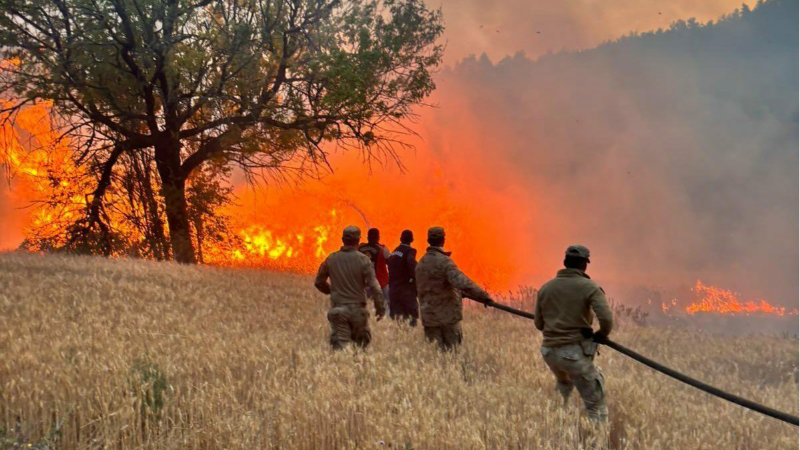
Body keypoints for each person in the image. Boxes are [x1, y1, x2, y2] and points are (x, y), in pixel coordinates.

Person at [534, 245, 613, 422]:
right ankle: (597, 437)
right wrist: (601, 334)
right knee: (595, 405)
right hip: (574, 354)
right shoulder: (589, 287)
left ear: (565, 262)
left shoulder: (546, 288)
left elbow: (539, 324)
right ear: (584, 264)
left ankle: (556, 426)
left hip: (549, 352)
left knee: (564, 388)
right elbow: (606, 319)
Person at [415, 226, 492, 350]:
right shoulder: (445, 262)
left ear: (428, 241)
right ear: (443, 240)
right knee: (453, 355)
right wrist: (483, 296)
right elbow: (462, 282)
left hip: (429, 319)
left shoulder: (420, 264)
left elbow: (429, 287)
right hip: (448, 318)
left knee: (434, 356)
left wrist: (459, 293)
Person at [314, 226, 386, 350]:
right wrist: (380, 308)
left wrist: (332, 291)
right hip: (358, 311)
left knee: (340, 350)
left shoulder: (331, 258)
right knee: (360, 349)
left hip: (339, 310)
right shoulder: (364, 260)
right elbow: (375, 287)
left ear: (343, 240)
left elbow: (319, 282)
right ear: (358, 240)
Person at [387, 229, 419, 326]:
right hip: (406, 291)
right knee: (412, 320)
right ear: (412, 240)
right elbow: (411, 263)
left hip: (393, 291)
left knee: (397, 321)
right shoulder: (410, 251)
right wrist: (416, 276)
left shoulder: (394, 252)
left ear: (400, 239)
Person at [358, 228, 391, 310]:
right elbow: (391, 262)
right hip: (380, 283)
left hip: (363, 284)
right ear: (378, 237)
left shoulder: (360, 248)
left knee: (365, 307)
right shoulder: (383, 249)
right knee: (386, 305)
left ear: (367, 237)